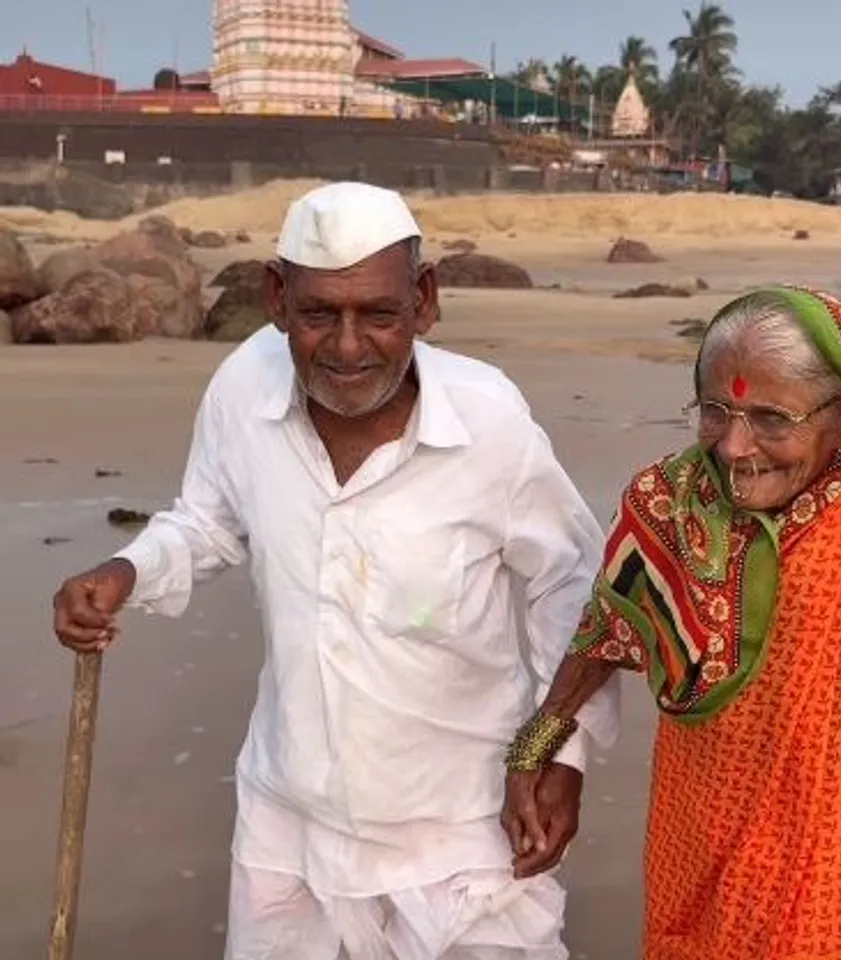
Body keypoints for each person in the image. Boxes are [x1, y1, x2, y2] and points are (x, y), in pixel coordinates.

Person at [52, 181, 620, 960]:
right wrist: (128, 569)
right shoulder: (242, 387)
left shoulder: (489, 421)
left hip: (465, 826)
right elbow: (210, 520)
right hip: (290, 823)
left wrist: (561, 754)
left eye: (378, 315)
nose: (348, 347)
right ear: (276, 298)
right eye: (319, 314)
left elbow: (572, 586)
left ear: (423, 301)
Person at [501, 286, 841, 959]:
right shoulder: (665, 505)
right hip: (700, 839)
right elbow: (607, 627)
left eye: (771, 419)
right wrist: (535, 749)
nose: (733, 446)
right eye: (715, 411)